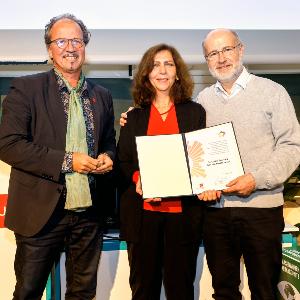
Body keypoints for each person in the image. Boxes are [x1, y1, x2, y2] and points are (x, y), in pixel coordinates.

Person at [0, 14, 116, 299]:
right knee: (28, 292)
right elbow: (8, 144)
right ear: (50, 49)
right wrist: (68, 161)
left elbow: (108, 142)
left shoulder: (101, 95)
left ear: (85, 47)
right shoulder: (26, 89)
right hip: (40, 212)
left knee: (83, 292)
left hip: (89, 212)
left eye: (76, 40)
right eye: (61, 40)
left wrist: (108, 157)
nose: (70, 47)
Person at [197, 29, 300, 299]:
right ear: (206, 60)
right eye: (213, 53)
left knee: (265, 291)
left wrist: (256, 179)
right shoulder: (203, 100)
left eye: (227, 50)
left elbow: (292, 147)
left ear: (240, 50)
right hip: (216, 211)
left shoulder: (272, 92)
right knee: (223, 291)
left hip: (261, 209)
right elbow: (193, 152)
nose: (221, 58)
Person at [117, 43, 217, 300]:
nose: (162, 71)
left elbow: (202, 159)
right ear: (146, 74)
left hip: (183, 217)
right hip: (142, 217)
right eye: (155, 65)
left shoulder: (195, 113)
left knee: (181, 289)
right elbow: (124, 161)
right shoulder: (134, 117)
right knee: (143, 289)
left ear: (177, 73)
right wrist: (139, 179)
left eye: (168, 64)